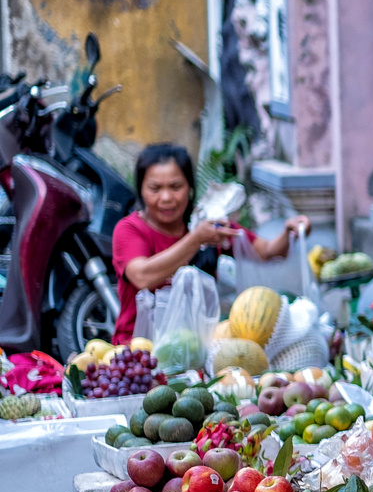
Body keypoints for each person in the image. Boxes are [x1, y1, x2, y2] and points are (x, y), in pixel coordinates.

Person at [110, 143, 308, 344]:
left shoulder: (210, 224)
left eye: (176, 187)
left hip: (198, 350)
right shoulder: (130, 230)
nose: (166, 197)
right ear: (141, 189)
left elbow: (267, 251)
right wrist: (196, 239)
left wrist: (290, 232)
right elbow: (142, 277)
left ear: (190, 188)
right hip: (136, 350)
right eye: (155, 188)